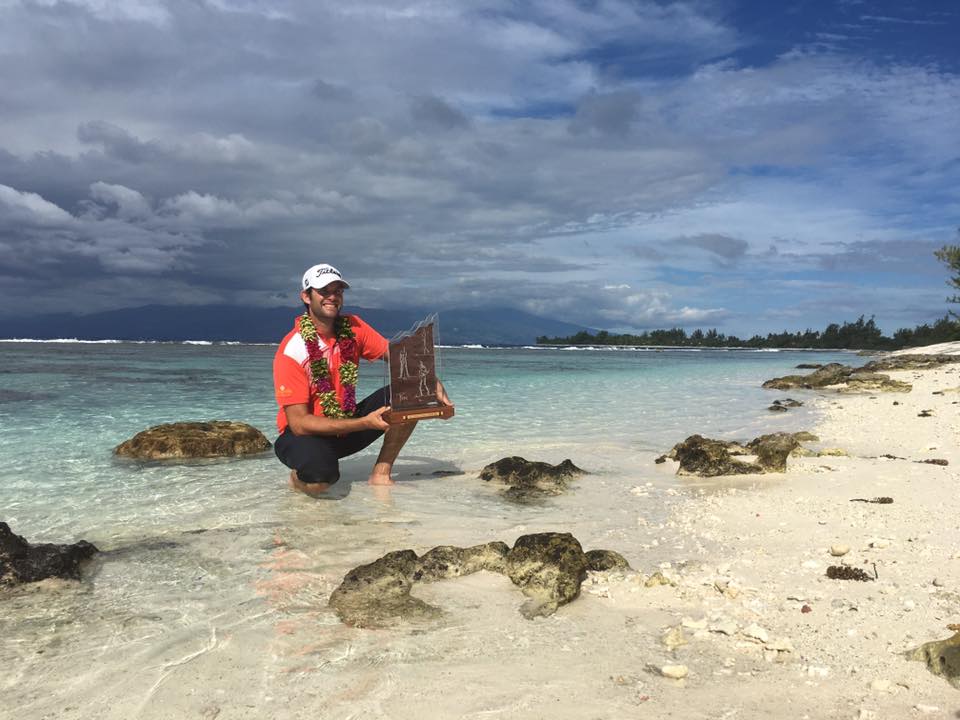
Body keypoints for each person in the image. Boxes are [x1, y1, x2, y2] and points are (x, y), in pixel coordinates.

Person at [272, 263, 451, 497]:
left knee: (412, 390)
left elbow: (399, 358)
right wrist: (366, 423)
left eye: (338, 291)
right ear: (306, 297)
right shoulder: (292, 350)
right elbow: (299, 424)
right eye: (324, 291)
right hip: (304, 436)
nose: (333, 297)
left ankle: (381, 473)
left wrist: (430, 381)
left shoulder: (354, 328)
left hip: (346, 427)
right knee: (321, 481)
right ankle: (298, 479)